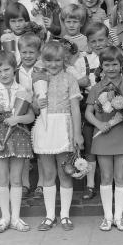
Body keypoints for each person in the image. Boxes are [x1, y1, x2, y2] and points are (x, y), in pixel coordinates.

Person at [85, 46, 123, 231]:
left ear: (121, 65)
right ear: (101, 66)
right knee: (106, 176)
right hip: (103, 135)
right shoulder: (96, 88)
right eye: (107, 65)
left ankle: (119, 217)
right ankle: (107, 217)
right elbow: (88, 112)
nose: (111, 68)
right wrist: (98, 124)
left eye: (115, 64)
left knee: (120, 176)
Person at [0, 51, 35, 233]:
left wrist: (16, 119)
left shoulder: (23, 91)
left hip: (18, 136)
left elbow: (30, 117)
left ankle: (16, 218)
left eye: (6, 69)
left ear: (14, 69)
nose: (3, 74)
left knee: (16, 178)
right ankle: (5, 216)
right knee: (2, 177)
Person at [31, 42, 83, 231]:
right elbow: (34, 107)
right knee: (48, 174)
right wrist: (37, 104)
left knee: (65, 172)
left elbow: (75, 109)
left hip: (63, 128)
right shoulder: (38, 79)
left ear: (64, 60)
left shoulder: (70, 79)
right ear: (42, 60)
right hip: (45, 128)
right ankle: (50, 215)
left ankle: (65, 215)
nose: (53, 64)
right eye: (49, 60)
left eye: (58, 60)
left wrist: (77, 134)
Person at [72, 23, 110, 200]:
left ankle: (108, 182)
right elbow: (73, 82)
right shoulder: (82, 61)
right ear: (88, 43)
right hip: (88, 105)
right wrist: (80, 82)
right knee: (90, 145)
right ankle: (90, 184)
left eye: (101, 40)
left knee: (108, 143)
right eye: (93, 41)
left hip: (110, 106)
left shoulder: (114, 57)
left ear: (108, 39)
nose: (98, 44)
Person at [14, 33, 44, 199]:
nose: (27, 56)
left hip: (40, 113)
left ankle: (41, 184)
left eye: (31, 52)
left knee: (40, 150)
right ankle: (25, 184)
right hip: (22, 114)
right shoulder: (15, 72)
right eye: (24, 52)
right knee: (24, 150)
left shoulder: (42, 70)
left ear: (38, 53)